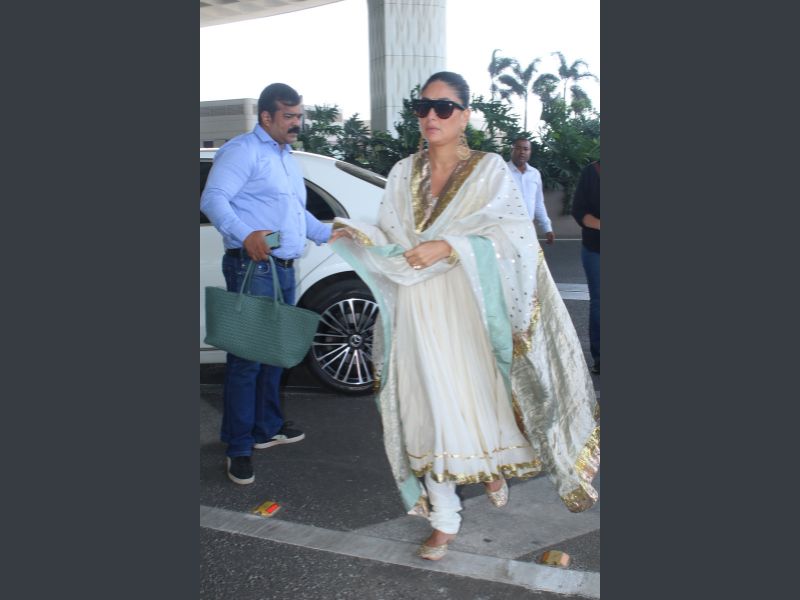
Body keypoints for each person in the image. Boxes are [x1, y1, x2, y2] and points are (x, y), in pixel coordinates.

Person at [329, 72, 599, 561]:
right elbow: (392, 235)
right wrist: (360, 235)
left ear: (465, 115)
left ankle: (487, 465)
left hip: (471, 308)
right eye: (423, 106)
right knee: (427, 406)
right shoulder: (401, 172)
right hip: (416, 308)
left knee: (481, 400)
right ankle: (444, 518)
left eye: (444, 107)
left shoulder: (490, 170)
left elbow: (515, 238)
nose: (431, 116)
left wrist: (450, 247)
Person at [200, 83, 334, 485]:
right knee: (247, 359)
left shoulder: (285, 157)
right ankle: (239, 446)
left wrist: (331, 234)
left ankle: (266, 428)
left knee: (274, 352)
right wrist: (245, 234)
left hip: (283, 267)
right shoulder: (243, 151)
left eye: (299, 116)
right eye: (289, 116)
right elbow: (213, 199)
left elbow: (295, 213)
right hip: (254, 267)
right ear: (266, 117)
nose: (297, 123)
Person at [571, 160, 600, 374]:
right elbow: (579, 211)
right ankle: (600, 357)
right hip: (596, 249)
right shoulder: (591, 172)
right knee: (600, 302)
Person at [507, 137, 555, 245]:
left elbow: (538, 203)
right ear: (512, 150)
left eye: (526, 149)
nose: (522, 152)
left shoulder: (535, 174)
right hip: (506, 229)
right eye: (518, 148)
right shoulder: (502, 171)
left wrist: (547, 228)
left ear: (530, 152)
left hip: (528, 229)